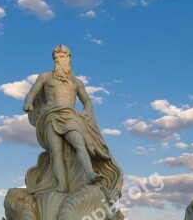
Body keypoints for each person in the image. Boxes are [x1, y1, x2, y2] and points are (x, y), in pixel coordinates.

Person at [23, 45, 122, 194]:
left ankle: (89, 173)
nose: (58, 60)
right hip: (50, 116)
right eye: (55, 58)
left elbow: (87, 101)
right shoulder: (45, 77)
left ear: (68, 58)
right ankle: (61, 185)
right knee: (56, 152)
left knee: (79, 143)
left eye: (61, 57)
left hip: (69, 115)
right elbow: (32, 93)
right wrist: (28, 102)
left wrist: (86, 111)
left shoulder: (76, 82)